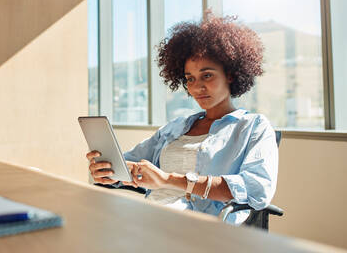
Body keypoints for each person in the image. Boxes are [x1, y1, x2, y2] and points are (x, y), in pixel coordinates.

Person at [86, 13, 278, 225]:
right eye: (190, 79)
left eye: (207, 75)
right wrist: (108, 172)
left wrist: (169, 180)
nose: (197, 87)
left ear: (230, 74)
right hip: (149, 218)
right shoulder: (176, 128)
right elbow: (127, 164)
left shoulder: (253, 127)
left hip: (199, 230)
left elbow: (257, 189)